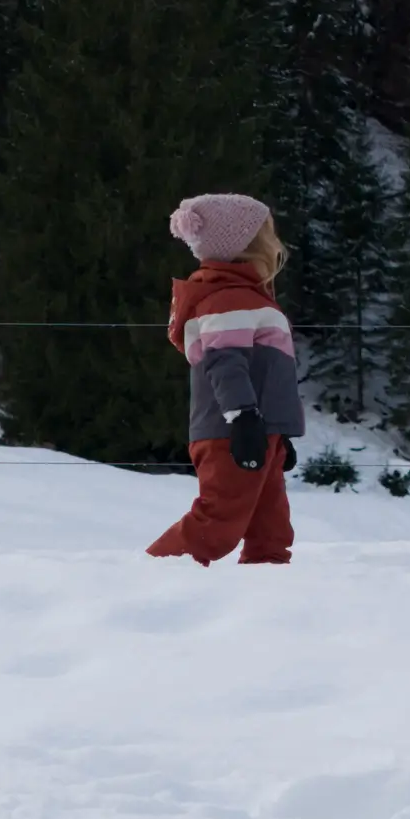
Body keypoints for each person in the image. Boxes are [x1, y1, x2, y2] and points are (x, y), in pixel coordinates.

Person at [146, 193, 304, 566]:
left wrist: (279, 431)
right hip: (232, 431)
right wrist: (244, 417)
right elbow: (224, 363)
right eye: (267, 235)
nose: (276, 244)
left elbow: (266, 371)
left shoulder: (246, 297)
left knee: (271, 531)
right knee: (215, 525)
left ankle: (265, 598)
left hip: (261, 430)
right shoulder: (228, 298)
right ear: (245, 247)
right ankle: (146, 575)